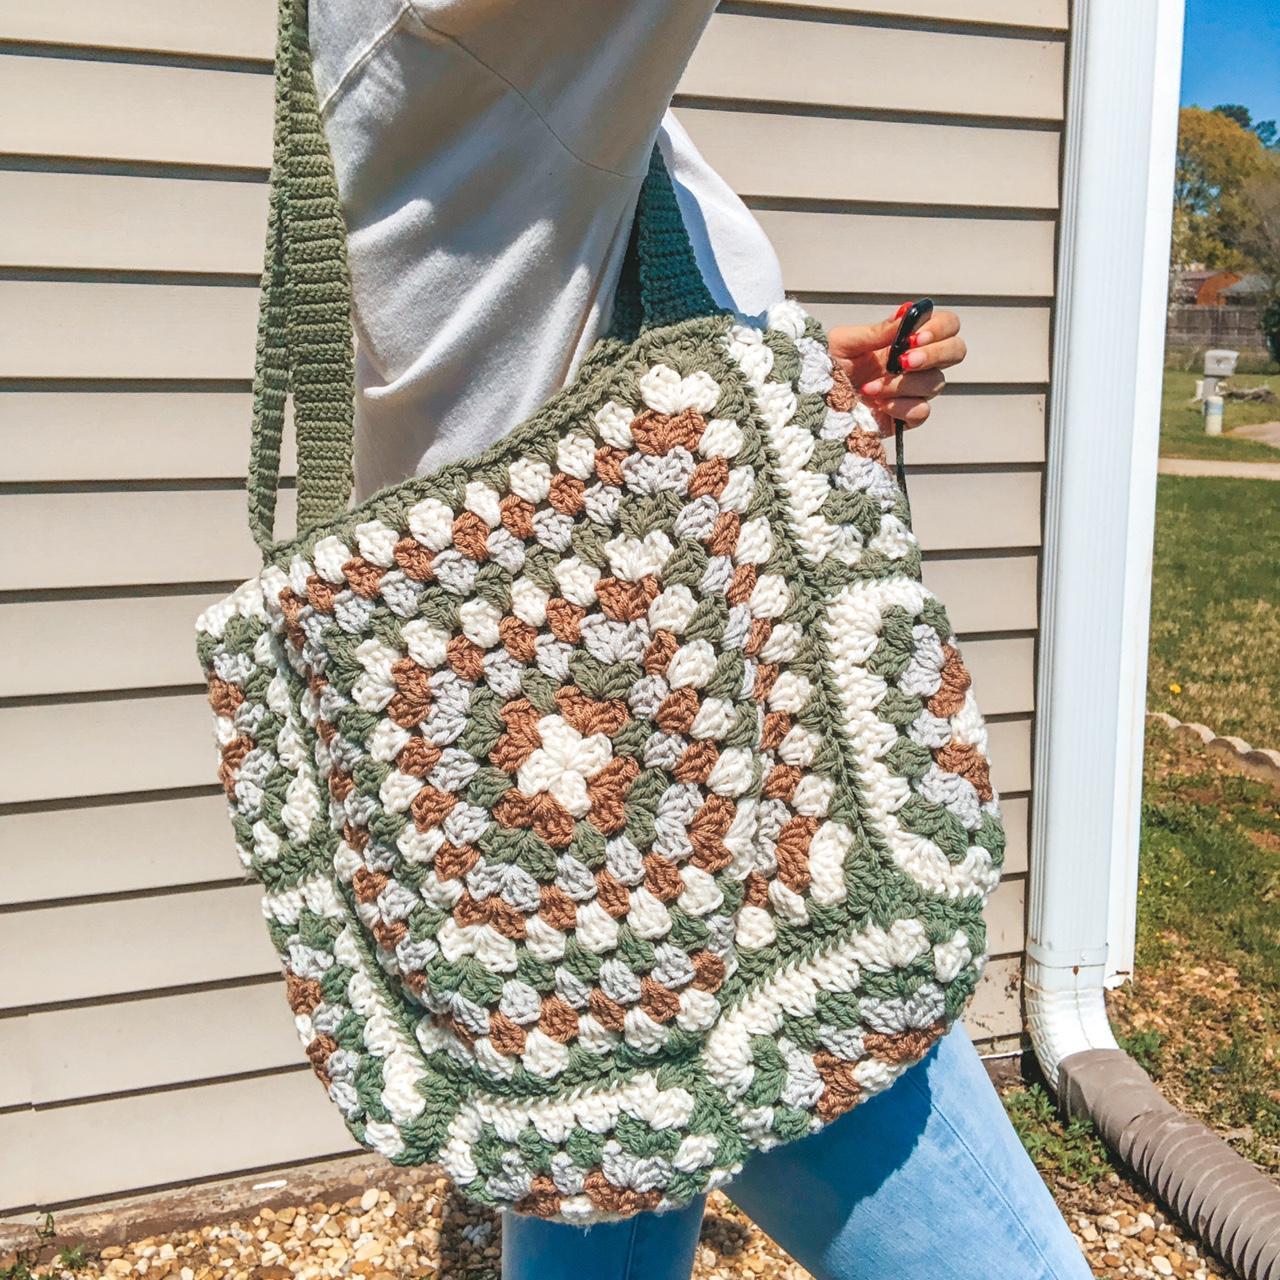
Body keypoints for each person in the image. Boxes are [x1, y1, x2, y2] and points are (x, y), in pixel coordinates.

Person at [307, 3, 1092, 1277]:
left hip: (561, 849)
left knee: (591, 1141)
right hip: (701, 813)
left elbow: (516, 352)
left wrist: (776, 384)